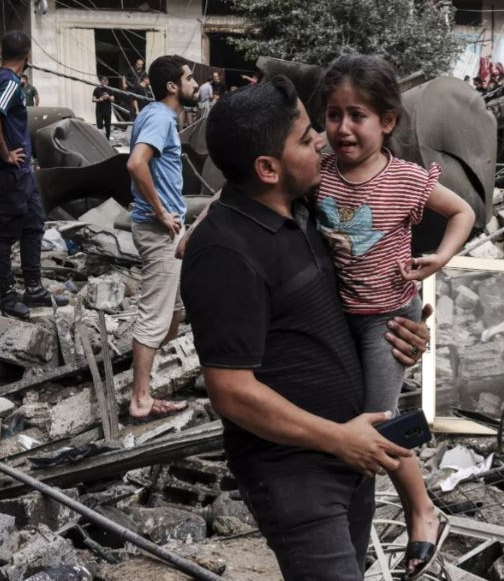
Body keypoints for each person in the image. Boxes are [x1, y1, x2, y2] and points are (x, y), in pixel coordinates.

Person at [180, 76, 432, 581]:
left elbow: (359, 296)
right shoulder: (224, 253)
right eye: (304, 137)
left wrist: (406, 331)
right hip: (295, 473)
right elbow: (231, 391)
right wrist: (339, 438)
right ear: (268, 168)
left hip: (352, 454)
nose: (322, 139)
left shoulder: (307, 208)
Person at [318, 54, 474, 578]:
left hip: (388, 317)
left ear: (386, 122)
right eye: (333, 114)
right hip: (339, 315)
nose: (343, 128)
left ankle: (421, 509)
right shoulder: (318, 170)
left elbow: (463, 212)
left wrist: (442, 257)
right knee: (354, 418)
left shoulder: (406, 179)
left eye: (357, 115)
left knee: (377, 421)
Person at [125, 55, 197, 420]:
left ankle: (145, 379)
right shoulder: (158, 117)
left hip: (166, 228)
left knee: (172, 315)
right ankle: (140, 399)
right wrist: (161, 212)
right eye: (189, 78)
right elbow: (136, 163)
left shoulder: (159, 116)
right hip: (158, 230)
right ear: (172, 86)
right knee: (155, 315)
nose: (195, 84)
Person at [0, 31, 68, 319]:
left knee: (34, 224)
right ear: (27, 56)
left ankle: (34, 290)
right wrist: (6, 153)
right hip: (10, 173)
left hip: (22, 172)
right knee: (5, 235)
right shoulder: (9, 82)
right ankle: (7, 297)